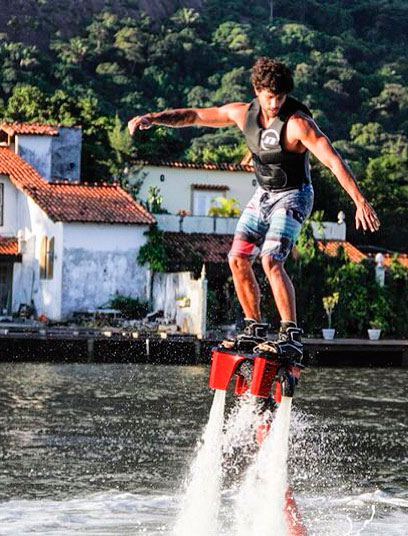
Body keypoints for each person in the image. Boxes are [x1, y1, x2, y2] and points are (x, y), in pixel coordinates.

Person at [128, 57, 380, 360]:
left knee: (271, 259)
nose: (274, 103)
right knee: (237, 258)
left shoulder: (298, 124)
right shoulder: (241, 113)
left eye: (280, 97)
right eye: (269, 96)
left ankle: (290, 334)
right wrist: (154, 117)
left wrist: (359, 199)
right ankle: (254, 329)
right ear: (257, 90)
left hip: (294, 195)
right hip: (263, 194)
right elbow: (194, 115)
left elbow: (332, 159)